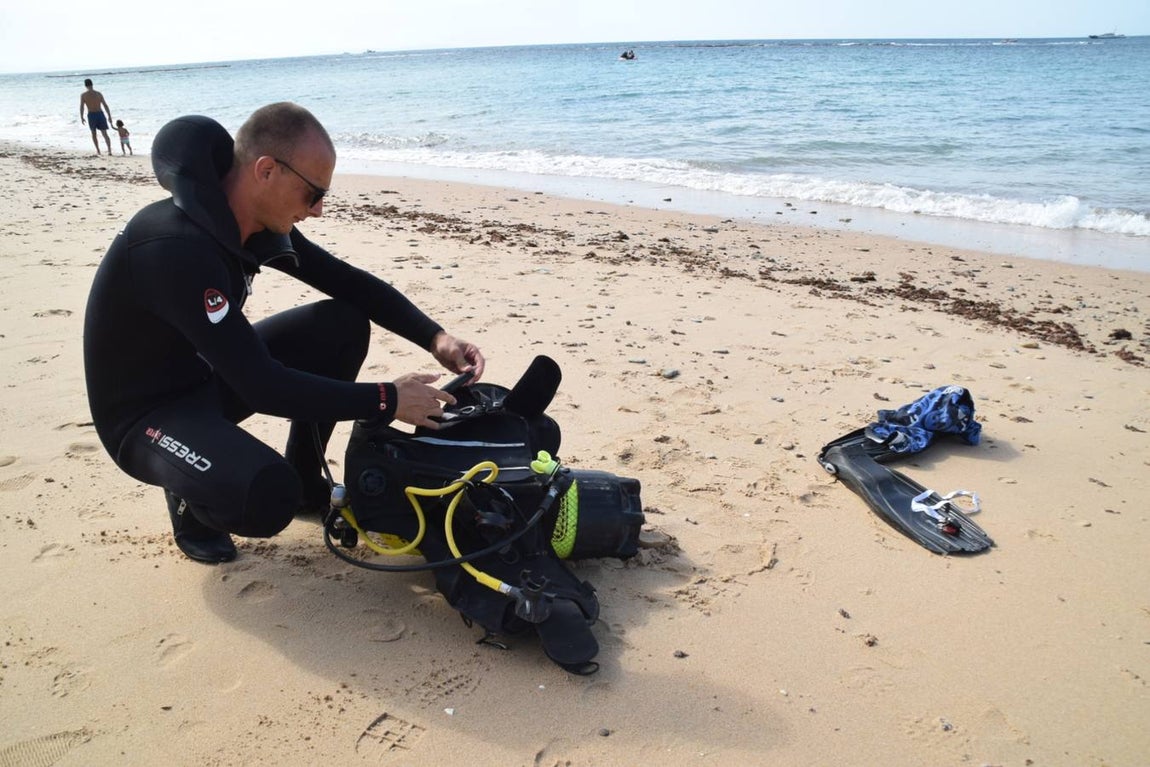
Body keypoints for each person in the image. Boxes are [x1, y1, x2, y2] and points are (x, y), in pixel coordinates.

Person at [82, 102, 485, 564]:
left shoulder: (247, 222)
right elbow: (264, 387)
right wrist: (386, 400)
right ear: (267, 170)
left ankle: (305, 473)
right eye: (312, 193)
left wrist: (436, 338)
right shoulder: (175, 247)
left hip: (204, 376)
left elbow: (347, 281)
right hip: (144, 419)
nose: (318, 210)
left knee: (342, 324)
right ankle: (188, 491)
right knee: (266, 495)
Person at [80, 78, 113, 155]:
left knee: (94, 133)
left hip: (91, 115)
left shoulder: (84, 95)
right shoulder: (98, 94)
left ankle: (98, 150)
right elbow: (105, 105)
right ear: (92, 84)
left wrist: (81, 117)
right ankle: (109, 150)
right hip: (100, 114)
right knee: (104, 133)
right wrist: (109, 116)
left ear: (85, 85)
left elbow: (81, 107)